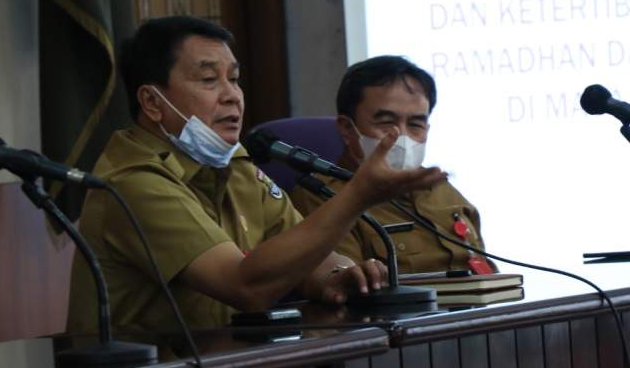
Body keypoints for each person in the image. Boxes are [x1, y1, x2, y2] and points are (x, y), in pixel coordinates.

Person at [66, 17, 445, 333]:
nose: (232, 95)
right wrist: (358, 195)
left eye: (234, 79)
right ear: (151, 102)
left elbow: (309, 258)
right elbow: (245, 286)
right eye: (209, 80)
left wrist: (340, 275)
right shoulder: (133, 182)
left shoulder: (236, 166)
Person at [291, 55, 493, 274]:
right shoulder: (323, 197)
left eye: (415, 124)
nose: (401, 136)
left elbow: (488, 275)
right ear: (347, 129)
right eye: (386, 122)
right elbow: (350, 287)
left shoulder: (442, 189)